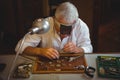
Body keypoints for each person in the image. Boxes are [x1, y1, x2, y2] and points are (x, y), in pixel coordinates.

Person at [15, 2, 93, 59]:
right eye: (61, 27)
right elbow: (19, 47)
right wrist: (40, 51)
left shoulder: (81, 26)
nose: (65, 34)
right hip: (47, 64)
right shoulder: (44, 24)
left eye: (69, 28)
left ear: (75, 22)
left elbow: (89, 48)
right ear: (54, 19)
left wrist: (78, 49)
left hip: (72, 64)